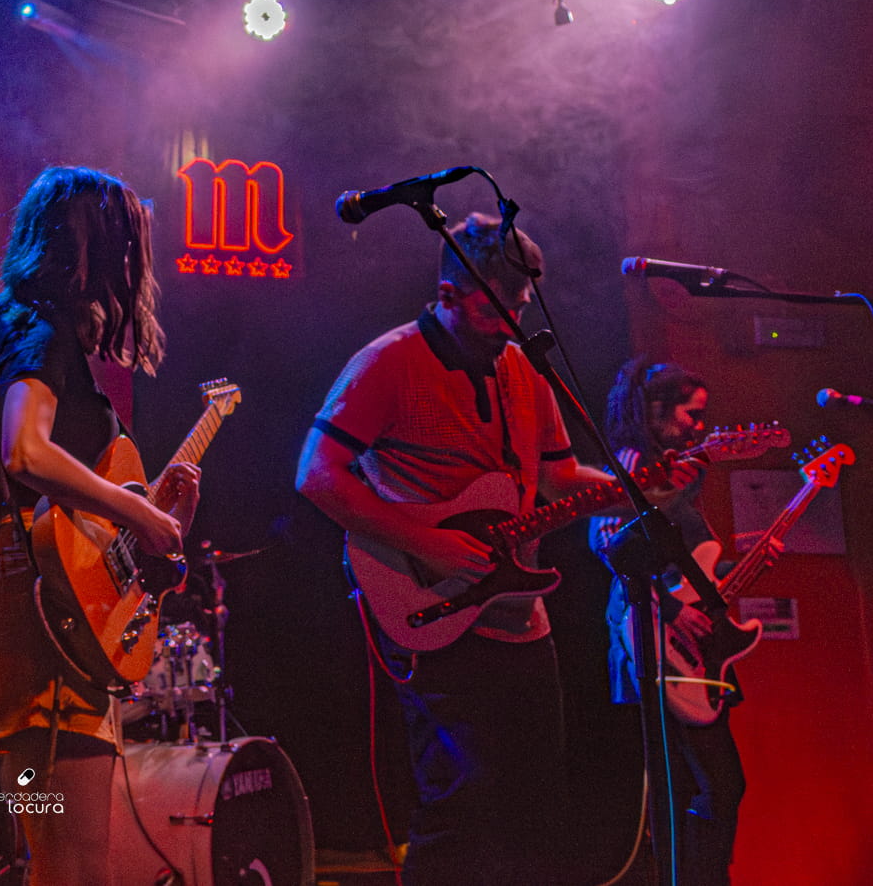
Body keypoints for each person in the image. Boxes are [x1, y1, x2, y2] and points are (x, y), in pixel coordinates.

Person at [294, 212, 699, 886]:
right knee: (461, 800)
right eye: (494, 308)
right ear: (448, 295)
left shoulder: (524, 370)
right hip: (430, 606)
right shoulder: (388, 362)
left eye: (520, 306)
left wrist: (644, 491)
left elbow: (559, 480)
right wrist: (425, 541)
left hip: (519, 616)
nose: (510, 323)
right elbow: (317, 474)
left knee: (533, 800)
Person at [0, 166, 199, 886]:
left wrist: (154, 521)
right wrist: (138, 511)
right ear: (79, 243)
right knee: (71, 867)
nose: (131, 260)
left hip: (54, 608)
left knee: (63, 860)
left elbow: (70, 510)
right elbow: (25, 452)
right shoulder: (36, 327)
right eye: (120, 240)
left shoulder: (39, 332)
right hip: (39, 611)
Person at [590, 359, 748, 886]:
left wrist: (743, 562)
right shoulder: (635, 464)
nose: (700, 426)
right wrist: (674, 609)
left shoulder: (680, 472)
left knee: (699, 784)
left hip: (684, 638)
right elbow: (609, 543)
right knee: (710, 783)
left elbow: (684, 561)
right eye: (691, 414)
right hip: (655, 636)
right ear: (655, 410)